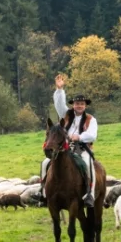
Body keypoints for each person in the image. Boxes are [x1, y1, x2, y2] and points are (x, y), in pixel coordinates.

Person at [40, 74, 99, 207]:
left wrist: (79, 137)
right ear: (73, 105)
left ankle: (90, 194)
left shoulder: (91, 119)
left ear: (85, 106)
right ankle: (43, 192)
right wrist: (60, 89)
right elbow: (59, 104)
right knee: (45, 163)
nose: (79, 106)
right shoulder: (66, 113)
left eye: (82, 104)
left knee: (88, 164)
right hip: (65, 148)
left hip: (82, 148)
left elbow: (92, 135)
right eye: (77, 104)